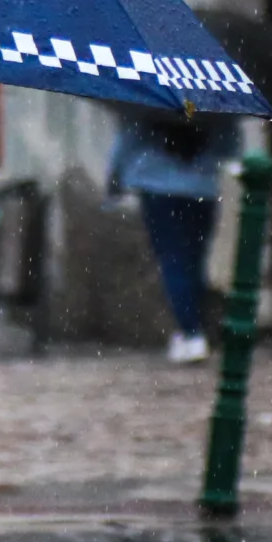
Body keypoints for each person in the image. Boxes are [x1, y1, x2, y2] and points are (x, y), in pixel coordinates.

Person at [108, 112, 242, 364]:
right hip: (202, 190)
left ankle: (191, 333)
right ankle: (192, 328)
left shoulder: (147, 98)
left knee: (173, 260)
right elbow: (229, 147)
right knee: (194, 259)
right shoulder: (214, 98)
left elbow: (128, 142)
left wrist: (115, 180)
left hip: (158, 187)